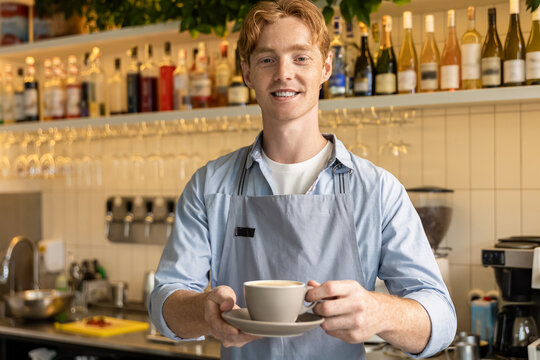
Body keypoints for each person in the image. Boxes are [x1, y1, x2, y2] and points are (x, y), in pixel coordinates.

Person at [149, 0, 457, 359]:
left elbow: (442, 319)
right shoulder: (209, 186)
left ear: (325, 67)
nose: (283, 73)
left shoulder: (377, 190)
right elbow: (163, 302)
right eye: (267, 59)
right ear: (246, 71)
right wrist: (204, 311)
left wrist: (380, 312)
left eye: (301, 57)